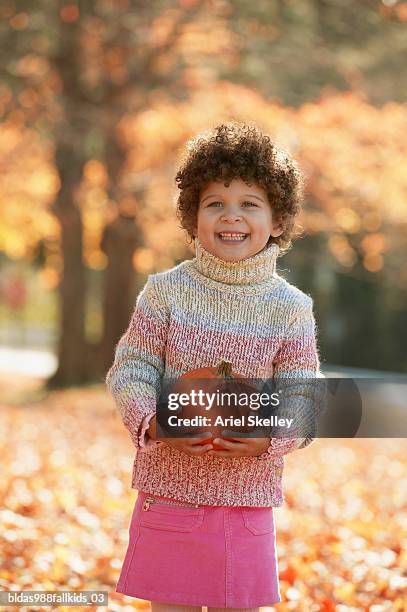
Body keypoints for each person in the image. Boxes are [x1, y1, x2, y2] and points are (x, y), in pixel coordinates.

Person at [106, 122, 323, 611]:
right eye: (215, 203)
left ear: (278, 219)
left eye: (250, 203)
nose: (232, 216)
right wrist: (153, 419)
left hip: (247, 500)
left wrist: (273, 437)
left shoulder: (290, 307)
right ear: (193, 215)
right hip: (169, 494)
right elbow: (132, 368)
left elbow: (305, 393)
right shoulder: (165, 291)